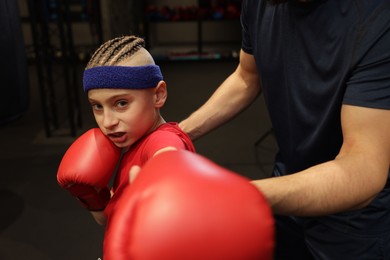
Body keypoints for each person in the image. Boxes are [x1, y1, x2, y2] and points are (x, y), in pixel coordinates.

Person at [179, 0, 390, 259]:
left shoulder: (377, 18)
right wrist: (179, 133)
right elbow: (246, 76)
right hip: (288, 181)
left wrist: (234, 195)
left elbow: (363, 165)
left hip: (355, 218)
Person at [58, 35, 195, 226]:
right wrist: (91, 196)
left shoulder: (162, 140)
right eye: (97, 106)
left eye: (121, 103)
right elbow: (109, 221)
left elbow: (169, 155)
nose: (108, 121)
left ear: (158, 95)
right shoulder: (133, 144)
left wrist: (165, 179)